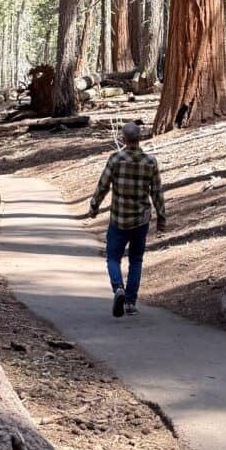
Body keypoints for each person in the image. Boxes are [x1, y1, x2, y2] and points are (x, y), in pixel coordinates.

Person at [88, 120, 166, 317]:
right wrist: (162, 216)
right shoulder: (150, 162)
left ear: (124, 138)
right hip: (141, 219)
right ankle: (131, 302)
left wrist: (94, 206)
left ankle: (118, 289)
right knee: (136, 260)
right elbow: (156, 191)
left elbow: (103, 185)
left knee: (113, 258)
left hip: (119, 219)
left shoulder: (115, 159)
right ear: (139, 138)